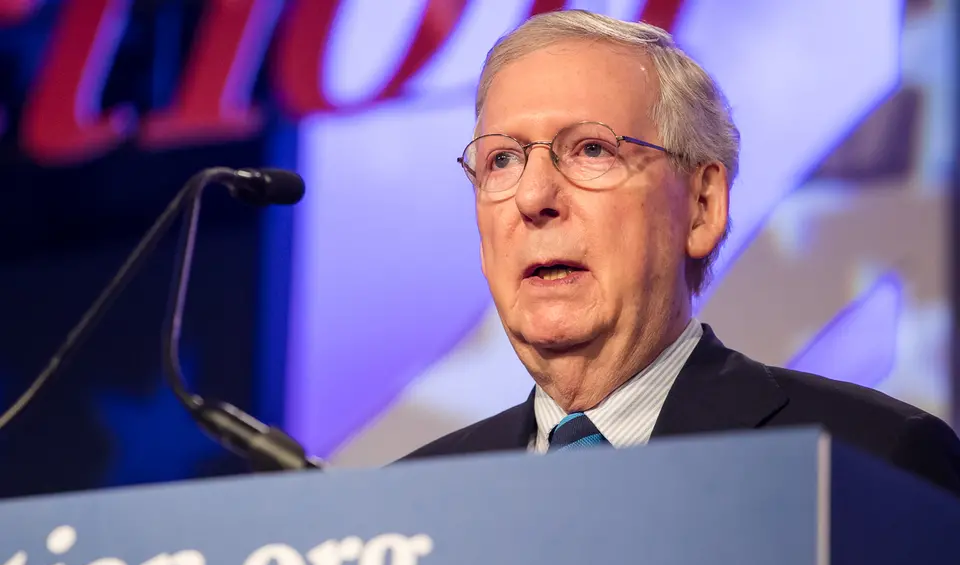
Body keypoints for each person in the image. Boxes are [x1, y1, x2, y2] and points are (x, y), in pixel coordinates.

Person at [399, 9, 960, 497]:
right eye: (501, 160)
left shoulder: (873, 461)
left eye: (591, 149)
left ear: (700, 206)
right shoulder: (410, 500)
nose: (532, 197)